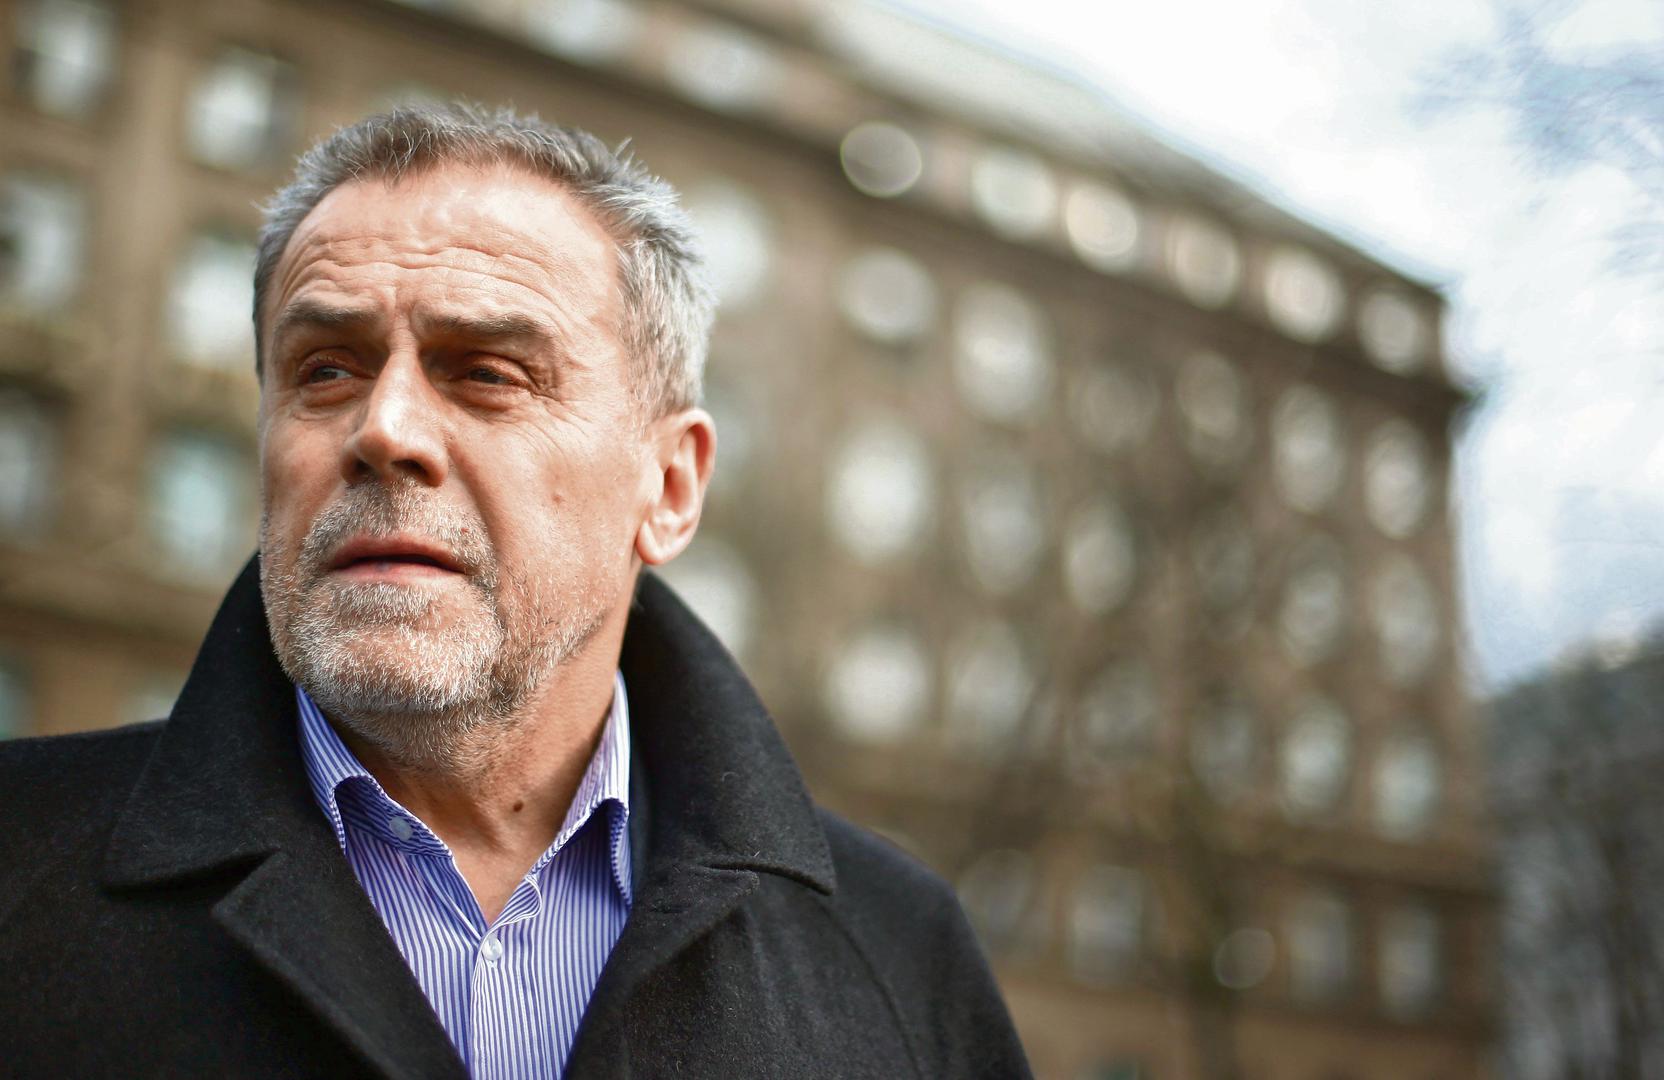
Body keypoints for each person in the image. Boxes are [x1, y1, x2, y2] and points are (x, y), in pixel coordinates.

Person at [0, 104, 1031, 1079]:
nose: (383, 429)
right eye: (323, 370)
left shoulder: (903, 958)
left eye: (487, 372)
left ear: (669, 488)